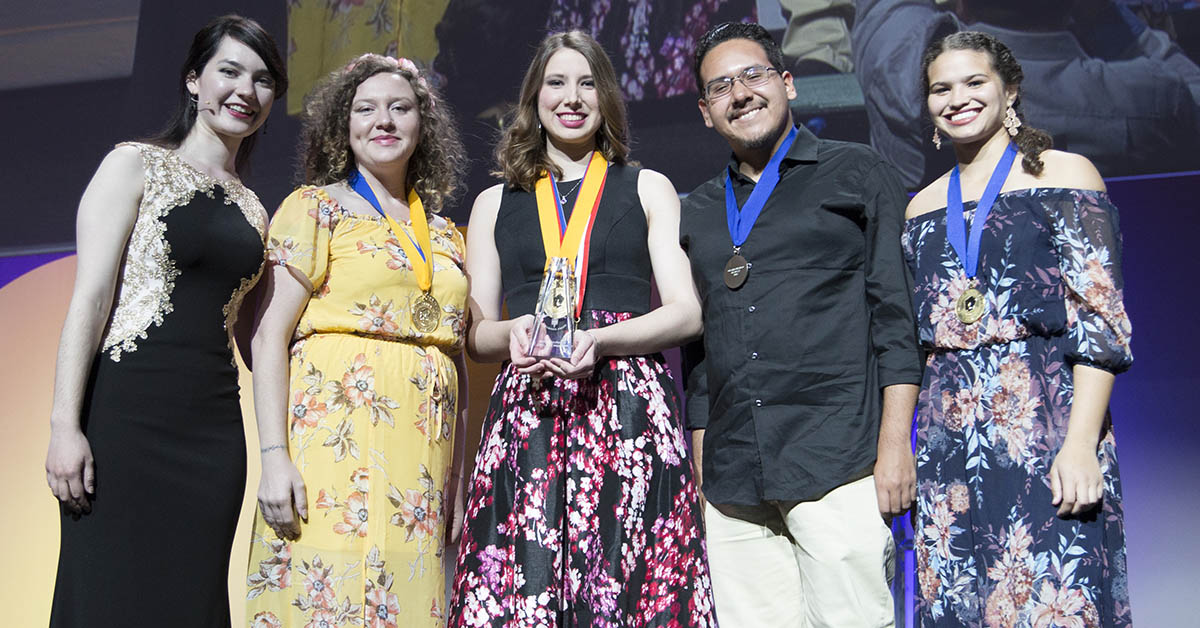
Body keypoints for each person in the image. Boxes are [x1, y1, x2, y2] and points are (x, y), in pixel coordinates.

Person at [448, 30, 716, 627]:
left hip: (627, 411)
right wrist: (515, 332)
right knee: (525, 587)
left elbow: (686, 311)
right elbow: (476, 333)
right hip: (530, 412)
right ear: (534, 98)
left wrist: (601, 340)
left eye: (587, 83)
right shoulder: (495, 202)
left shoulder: (647, 186)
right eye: (557, 82)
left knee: (627, 584)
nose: (572, 98)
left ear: (607, 98)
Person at [43, 14, 286, 627]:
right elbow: (91, 300)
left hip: (211, 437)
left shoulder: (256, 210)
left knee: (192, 603)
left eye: (261, 80)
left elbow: (258, 338)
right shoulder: (133, 166)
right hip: (123, 422)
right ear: (193, 81)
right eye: (228, 72)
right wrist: (64, 427)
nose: (245, 91)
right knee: (105, 598)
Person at [680, 22, 924, 627]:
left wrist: (895, 446)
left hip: (840, 458)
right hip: (735, 478)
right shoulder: (697, 212)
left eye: (753, 75)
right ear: (707, 113)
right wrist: (702, 460)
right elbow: (700, 355)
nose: (739, 93)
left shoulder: (858, 172)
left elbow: (897, 319)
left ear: (787, 82)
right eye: (720, 88)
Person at [903, 31, 1133, 626]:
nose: (957, 98)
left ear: (1009, 90)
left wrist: (1081, 444)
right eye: (940, 88)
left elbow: (1099, 324)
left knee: (1055, 600)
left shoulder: (1066, 175)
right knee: (957, 600)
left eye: (974, 82)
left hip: (1043, 429)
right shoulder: (920, 207)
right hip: (947, 442)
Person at [243, 54, 469, 627]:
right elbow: (269, 336)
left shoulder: (444, 233)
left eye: (401, 108)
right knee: (327, 600)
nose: (384, 121)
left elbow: (457, 366)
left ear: (424, 125)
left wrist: (457, 479)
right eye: (366, 109)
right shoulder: (315, 208)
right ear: (344, 126)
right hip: (330, 452)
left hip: (420, 460)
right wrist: (274, 459)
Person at [853, 0, 1200, 188]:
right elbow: (1190, 85)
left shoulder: (906, 71)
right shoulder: (1154, 97)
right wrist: (1104, 15)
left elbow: (888, 11)